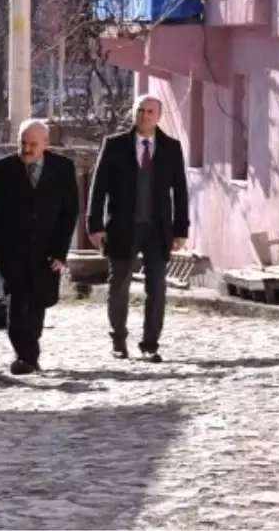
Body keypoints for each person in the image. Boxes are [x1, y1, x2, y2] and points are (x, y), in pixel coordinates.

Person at [87, 94, 189, 363]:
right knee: (118, 286)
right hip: (122, 227)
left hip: (157, 230)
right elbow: (98, 188)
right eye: (141, 111)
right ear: (134, 113)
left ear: (159, 116)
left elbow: (180, 192)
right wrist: (94, 225)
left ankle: (150, 343)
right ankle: (118, 339)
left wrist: (180, 230)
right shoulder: (115, 145)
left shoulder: (171, 148)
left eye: (151, 112)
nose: (145, 116)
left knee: (157, 288)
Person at [0, 119, 78, 375]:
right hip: (11, 250)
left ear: (45, 144)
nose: (26, 149)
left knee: (37, 303)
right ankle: (25, 356)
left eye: (32, 144)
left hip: (46, 252)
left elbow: (69, 214)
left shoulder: (63, 168)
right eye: (23, 143)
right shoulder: (4, 168)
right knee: (16, 302)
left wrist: (60, 253)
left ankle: (29, 352)